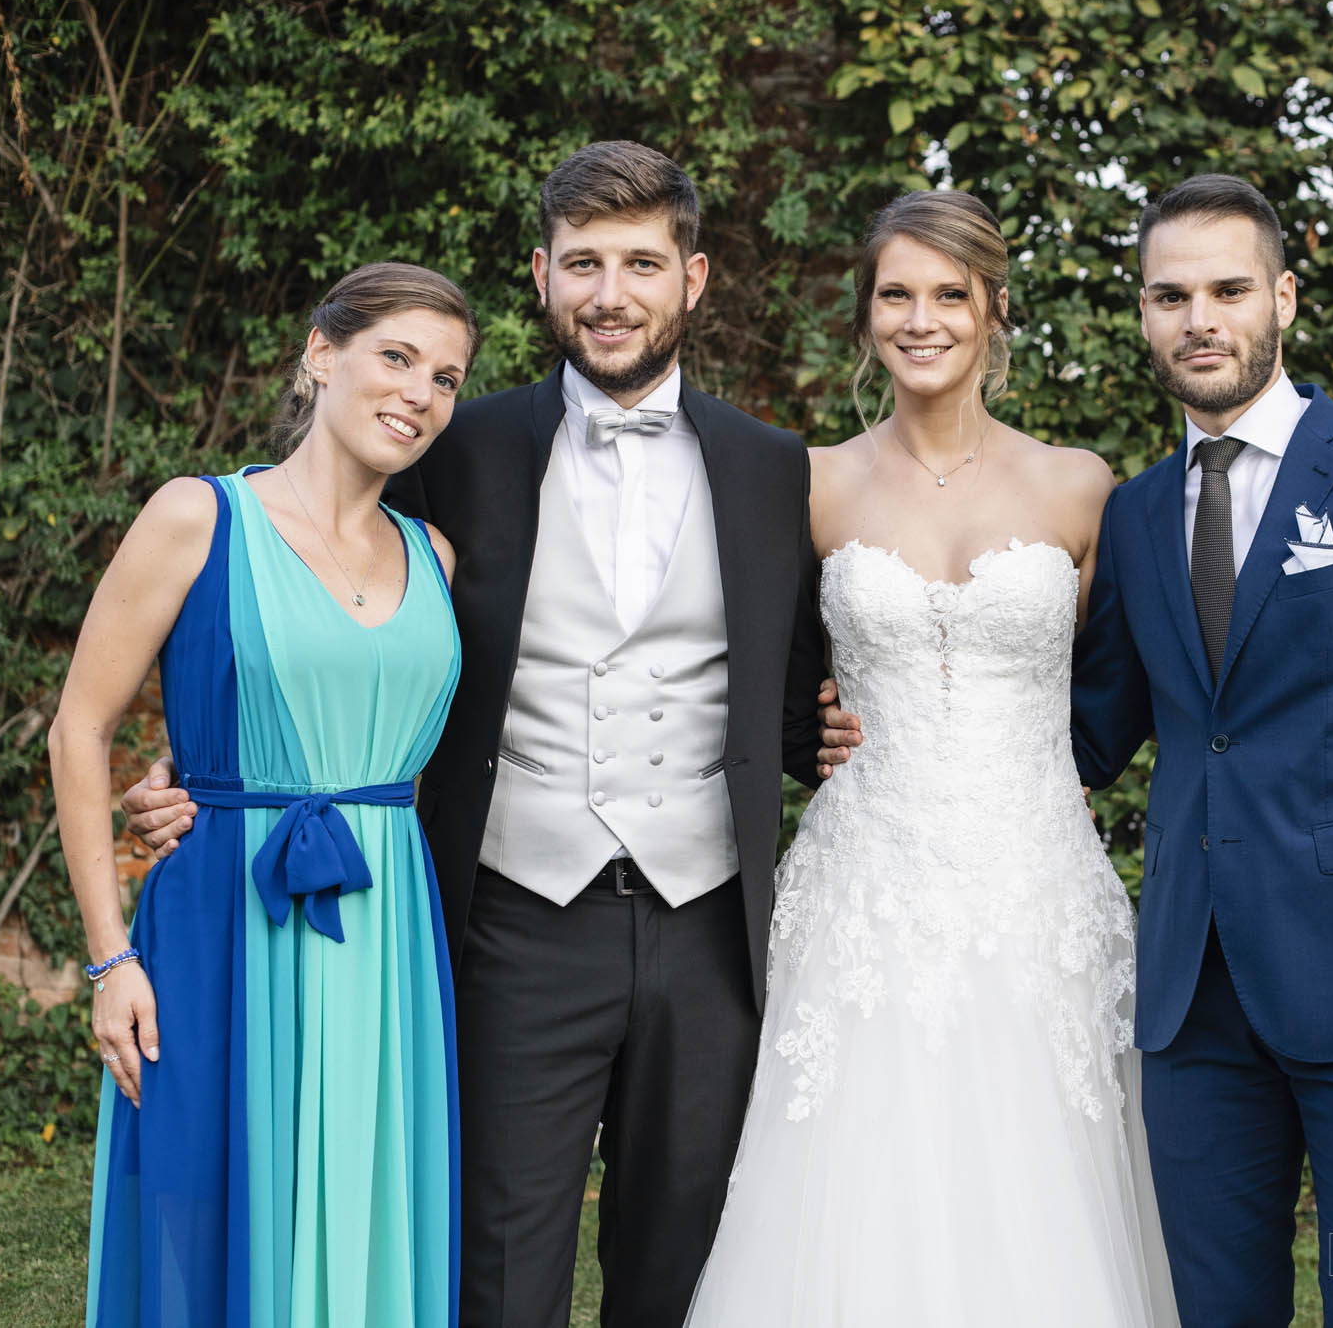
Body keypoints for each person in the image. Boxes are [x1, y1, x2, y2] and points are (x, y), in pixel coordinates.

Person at [121, 141, 829, 1328]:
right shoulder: (452, 445)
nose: (610, 293)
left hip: (709, 928)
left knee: (683, 1265)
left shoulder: (770, 466)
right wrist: (200, 757)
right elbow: (330, 613)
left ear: (692, 278)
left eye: (641, 263)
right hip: (514, 919)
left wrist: (844, 728)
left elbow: (798, 676)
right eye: (583, 263)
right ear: (542, 276)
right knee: (498, 1266)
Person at [686, 190, 1179, 1325]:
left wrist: (1059, 774)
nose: (921, 320)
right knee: (853, 1182)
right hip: (865, 888)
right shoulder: (809, 481)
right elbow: (766, 669)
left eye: (949, 294)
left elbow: (1116, 686)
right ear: (865, 313)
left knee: (1043, 1181)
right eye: (895, 295)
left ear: (993, 308)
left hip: (1036, 885)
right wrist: (806, 733)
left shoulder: (1079, 483)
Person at [1069, 175, 1333, 1325]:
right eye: (1169, 296)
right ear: (1142, 313)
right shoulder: (1133, 512)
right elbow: (1090, 731)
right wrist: (908, 688)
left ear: (1284, 299)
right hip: (1189, 999)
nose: (1197, 319)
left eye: (1227, 290)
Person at [48, 261, 477, 1325]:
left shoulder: (434, 555)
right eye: (396, 357)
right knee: (209, 1209)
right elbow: (79, 728)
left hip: (385, 936)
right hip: (221, 919)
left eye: (445, 377)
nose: (419, 393)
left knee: (370, 1212)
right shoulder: (198, 517)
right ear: (321, 353)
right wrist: (109, 958)